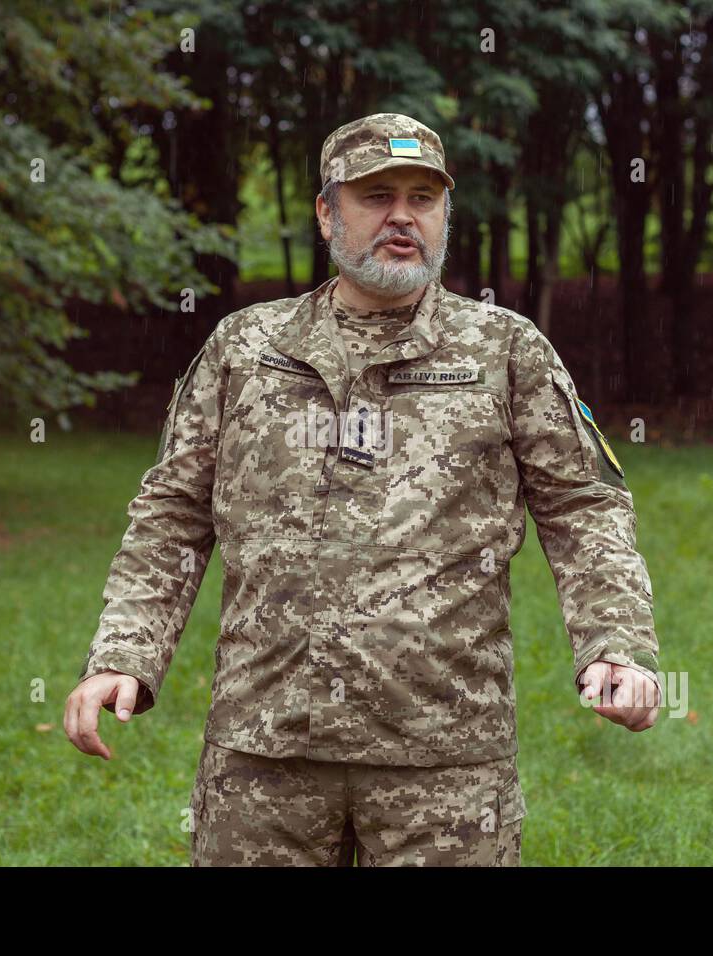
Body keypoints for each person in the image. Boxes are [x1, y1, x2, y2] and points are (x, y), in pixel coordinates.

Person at [64, 113, 662, 866]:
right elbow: (174, 512)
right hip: (264, 758)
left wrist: (616, 644)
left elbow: (584, 505)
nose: (402, 216)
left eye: (423, 197)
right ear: (325, 212)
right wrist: (124, 651)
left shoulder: (505, 352)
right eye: (376, 195)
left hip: (444, 763)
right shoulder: (248, 349)